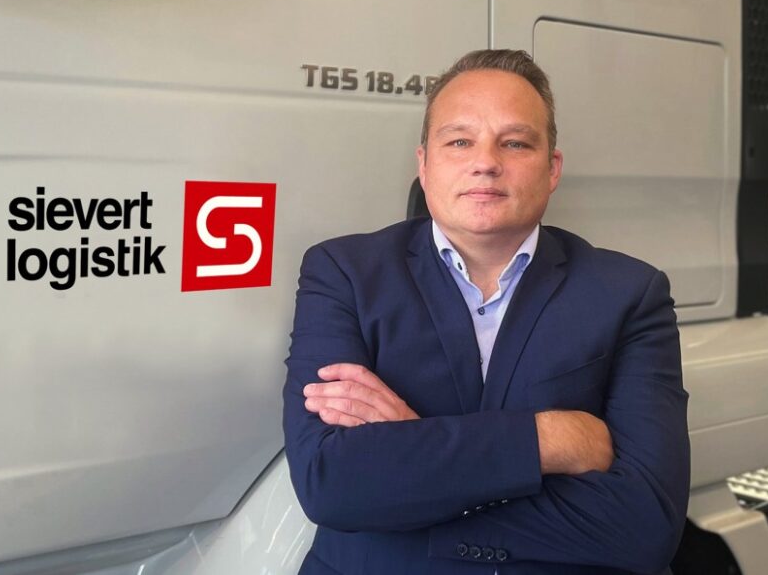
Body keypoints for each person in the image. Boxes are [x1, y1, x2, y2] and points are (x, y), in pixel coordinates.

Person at [283, 49, 689, 574]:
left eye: (515, 142)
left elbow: (645, 526)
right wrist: (550, 439)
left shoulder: (629, 293)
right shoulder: (344, 272)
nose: (486, 162)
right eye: (459, 141)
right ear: (424, 164)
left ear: (552, 169)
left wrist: (415, 455)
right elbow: (331, 485)